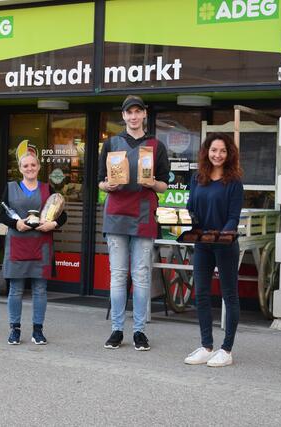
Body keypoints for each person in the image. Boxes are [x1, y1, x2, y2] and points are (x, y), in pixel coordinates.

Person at [98, 95, 169, 351]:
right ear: (124, 116)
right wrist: (108, 185)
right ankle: (117, 329)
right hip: (116, 214)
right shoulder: (111, 144)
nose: (134, 116)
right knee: (117, 276)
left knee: (140, 276)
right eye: (130, 113)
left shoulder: (156, 146)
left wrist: (152, 184)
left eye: (138, 112)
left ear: (144, 114)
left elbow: (163, 184)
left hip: (143, 215)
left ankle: (139, 331)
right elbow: (99, 181)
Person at [184, 132, 243, 367]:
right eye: (213, 150)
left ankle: (227, 350)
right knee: (203, 294)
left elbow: (233, 218)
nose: (217, 155)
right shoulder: (198, 178)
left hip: (225, 244)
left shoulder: (234, 182)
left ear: (229, 154)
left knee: (229, 295)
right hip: (202, 243)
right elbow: (191, 207)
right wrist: (187, 220)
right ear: (206, 152)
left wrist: (220, 236)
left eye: (222, 151)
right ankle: (207, 346)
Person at [0, 152, 67, 345]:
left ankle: (38, 330)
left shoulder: (48, 189)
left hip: (41, 244)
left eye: (33, 165)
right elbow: (2, 215)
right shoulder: (10, 188)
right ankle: (15, 329)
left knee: (40, 289)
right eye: (25, 166)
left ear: (38, 167)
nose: (29, 168)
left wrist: (53, 225)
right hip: (17, 244)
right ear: (20, 169)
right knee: (16, 289)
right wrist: (16, 224)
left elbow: (62, 215)